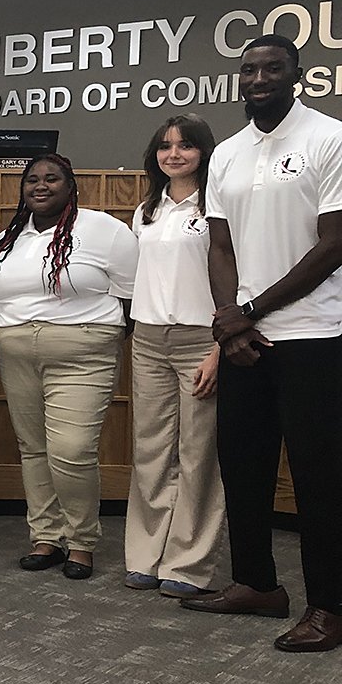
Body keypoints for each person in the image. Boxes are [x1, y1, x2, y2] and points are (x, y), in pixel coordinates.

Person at [182, 34, 342, 653]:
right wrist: (232, 321)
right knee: (242, 466)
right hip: (246, 341)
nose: (259, 77)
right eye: (248, 69)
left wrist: (248, 311)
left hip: (315, 335)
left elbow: (331, 246)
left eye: (273, 67)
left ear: (297, 74)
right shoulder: (225, 154)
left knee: (319, 476)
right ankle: (256, 583)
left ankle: (329, 604)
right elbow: (220, 246)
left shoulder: (328, 138)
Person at [0, 153, 137, 581]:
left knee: (71, 450)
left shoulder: (104, 229)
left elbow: (131, 297)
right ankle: (45, 536)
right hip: (16, 352)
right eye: (32, 179)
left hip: (83, 352)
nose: (40, 186)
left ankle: (82, 541)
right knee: (33, 449)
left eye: (52, 178)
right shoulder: (9, 237)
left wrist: (93, 339)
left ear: (71, 185)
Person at [124, 114, 223, 598]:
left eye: (185, 146)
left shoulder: (218, 205)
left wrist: (221, 348)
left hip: (201, 339)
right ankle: (146, 556)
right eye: (165, 147)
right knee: (151, 450)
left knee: (199, 454)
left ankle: (186, 563)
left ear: (204, 152)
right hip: (148, 338)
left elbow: (239, 277)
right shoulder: (147, 210)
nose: (174, 155)